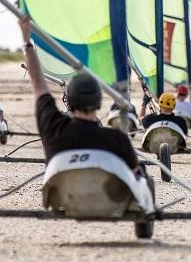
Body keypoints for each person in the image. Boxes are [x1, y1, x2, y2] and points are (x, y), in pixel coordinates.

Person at [20, 17, 141, 173]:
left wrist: (27, 41)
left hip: (62, 196)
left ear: (68, 100)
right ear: (98, 101)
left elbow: (38, 83)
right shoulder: (117, 140)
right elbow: (133, 178)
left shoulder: (53, 128)